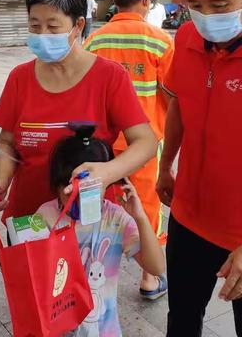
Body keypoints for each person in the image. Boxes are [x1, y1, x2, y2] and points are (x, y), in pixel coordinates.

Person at [0, 0, 157, 231]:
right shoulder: (20, 78)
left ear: (78, 25)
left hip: (87, 221)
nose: (42, 34)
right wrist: (1, 178)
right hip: (30, 219)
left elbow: (146, 142)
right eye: (34, 25)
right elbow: (7, 142)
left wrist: (109, 172)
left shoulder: (109, 76)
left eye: (53, 27)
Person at [157, 0, 242, 336]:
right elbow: (178, 104)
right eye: (195, 3)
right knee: (183, 319)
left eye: (221, 4)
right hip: (189, 217)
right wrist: (165, 165)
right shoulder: (187, 38)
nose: (206, 15)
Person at [84, 0, 173, 299]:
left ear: (116, 1)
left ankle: (96, 269)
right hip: (145, 144)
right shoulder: (160, 41)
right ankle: (150, 278)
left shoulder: (95, 40)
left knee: (101, 207)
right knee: (146, 206)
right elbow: (173, 94)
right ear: (147, 1)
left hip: (103, 147)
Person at [36, 126, 165, 337]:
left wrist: (140, 217)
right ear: (58, 186)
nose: (79, 201)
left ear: (107, 182)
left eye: (90, 191)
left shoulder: (115, 220)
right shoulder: (46, 217)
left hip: (104, 330)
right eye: (70, 193)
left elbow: (156, 266)